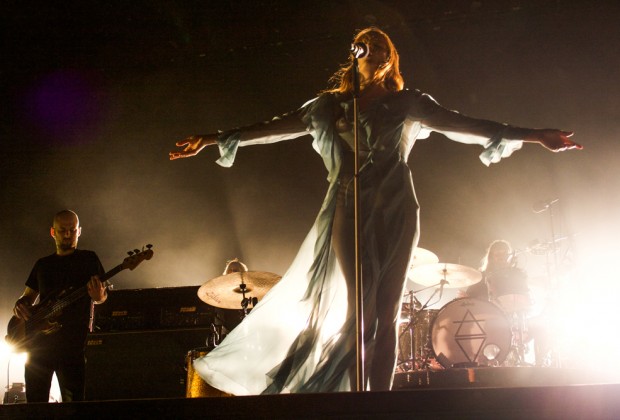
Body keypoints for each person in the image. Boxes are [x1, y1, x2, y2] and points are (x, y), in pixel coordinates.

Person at [170, 27, 581, 394]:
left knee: (386, 315)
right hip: (347, 206)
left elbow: (466, 124)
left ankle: (379, 401)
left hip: (397, 208)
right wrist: (210, 139)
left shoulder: (408, 104)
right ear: (357, 54)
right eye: (372, 47)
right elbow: (270, 128)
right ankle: (353, 397)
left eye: (387, 49)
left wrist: (534, 136)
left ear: (392, 61)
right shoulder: (327, 107)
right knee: (358, 312)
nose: (380, 53)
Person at [11, 210, 107, 402]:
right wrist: (20, 305)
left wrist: (99, 296)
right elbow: (28, 297)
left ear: (79, 231)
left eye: (72, 230)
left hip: (72, 348)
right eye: (63, 230)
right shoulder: (42, 265)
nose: (67, 234)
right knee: (36, 407)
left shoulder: (89, 259)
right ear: (53, 232)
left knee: (74, 407)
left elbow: (101, 297)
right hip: (38, 348)